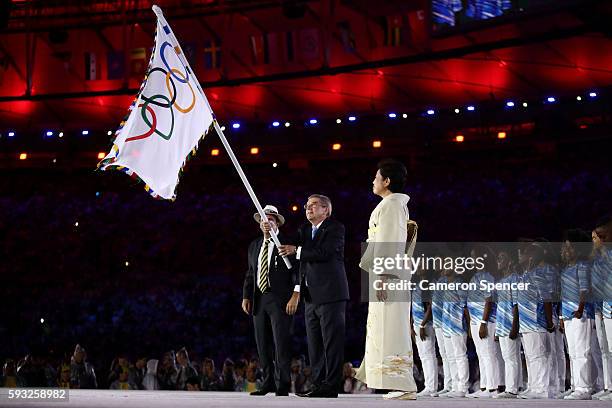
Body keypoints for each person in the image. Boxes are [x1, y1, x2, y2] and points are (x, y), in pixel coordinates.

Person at [353, 159, 417, 400]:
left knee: (392, 329)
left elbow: (390, 243)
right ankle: (396, 382)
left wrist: (381, 277)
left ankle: (403, 384)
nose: (373, 181)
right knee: (386, 328)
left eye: (376, 177)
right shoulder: (390, 205)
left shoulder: (391, 205)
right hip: (388, 275)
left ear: (387, 181)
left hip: (389, 276)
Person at [279, 194, 350, 398]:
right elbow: (292, 251)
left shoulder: (335, 228)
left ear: (326, 210)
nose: (308, 208)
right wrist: (273, 230)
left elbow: (325, 252)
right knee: (314, 344)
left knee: (331, 342)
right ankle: (318, 384)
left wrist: (298, 250)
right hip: (310, 297)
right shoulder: (304, 230)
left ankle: (332, 385)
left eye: (313, 205)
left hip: (331, 294)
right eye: (307, 205)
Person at [242, 205, 299, 396]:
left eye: (271, 220)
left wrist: (295, 294)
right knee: (262, 344)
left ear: (277, 224)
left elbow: (297, 271)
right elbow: (251, 273)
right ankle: (267, 383)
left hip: (280, 300)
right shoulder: (254, 245)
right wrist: (246, 296)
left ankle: (282, 385)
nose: (267, 224)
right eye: (263, 221)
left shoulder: (287, 244)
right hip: (259, 299)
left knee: (281, 343)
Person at [559, 229, 595, 400]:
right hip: (567, 314)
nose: (566, 251)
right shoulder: (566, 269)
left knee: (582, 351)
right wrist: (561, 316)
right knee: (572, 352)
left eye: (570, 248)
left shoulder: (582, 266)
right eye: (566, 248)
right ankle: (575, 385)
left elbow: (584, 289)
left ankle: (584, 387)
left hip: (580, 313)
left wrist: (580, 309)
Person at [466, 244, 502, 398]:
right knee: (481, 354)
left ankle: (492, 388)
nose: (472, 260)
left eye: (475, 257)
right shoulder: (475, 277)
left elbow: (489, 301)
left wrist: (483, 322)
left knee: (489, 354)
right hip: (475, 321)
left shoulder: (487, 276)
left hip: (485, 321)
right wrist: (471, 322)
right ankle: (484, 386)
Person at [493, 250, 522, 399]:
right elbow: (499, 306)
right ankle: (515, 386)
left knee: (512, 357)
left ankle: (512, 389)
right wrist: (498, 330)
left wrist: (514, 326)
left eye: (501, 258)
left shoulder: (514, 279)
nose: (498, 261)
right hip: (502, 324)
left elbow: (516, 305)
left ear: (510, 261)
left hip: (510, 323)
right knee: (508, 357)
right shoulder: (500, 282)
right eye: (498, 258)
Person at [592, 215, 612, 401]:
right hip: (601, 308)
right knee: (604, 350)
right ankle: (608, 386)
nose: (593, 242)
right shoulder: (598, 259)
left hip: (609, 307)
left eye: (595, 238)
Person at [411, 268, 438, 397]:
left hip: (426, 325)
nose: (418, 269)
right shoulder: (416, 285)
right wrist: (411, 324)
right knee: (423, 355)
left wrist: (422, 324)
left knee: (429, 354)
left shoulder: (430, 284)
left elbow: (430, 307)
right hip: (416, 324)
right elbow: (413, 305)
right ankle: (428, 385)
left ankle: (432, 387)